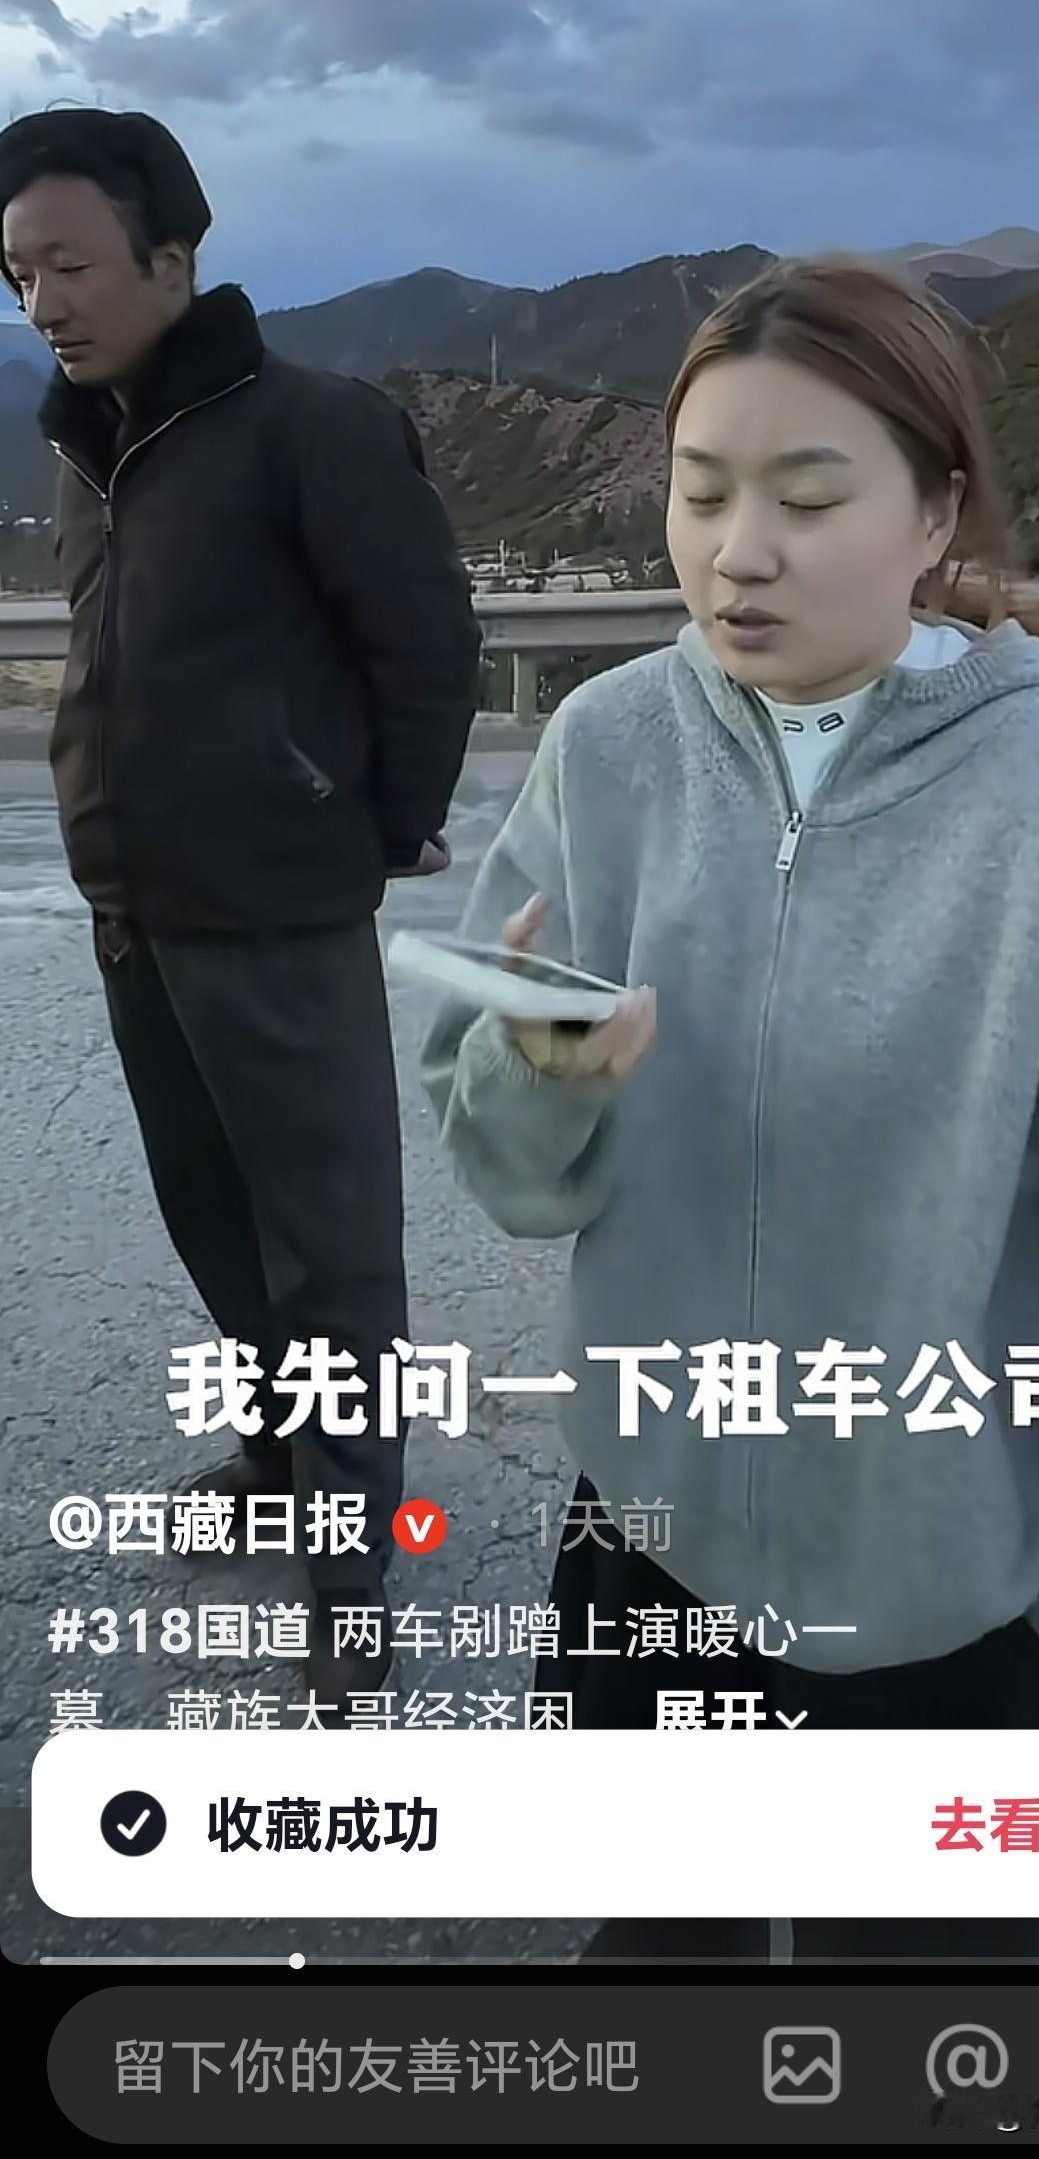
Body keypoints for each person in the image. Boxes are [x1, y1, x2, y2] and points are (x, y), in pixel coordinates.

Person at [417, 253, 1039, 1964]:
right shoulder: (610, 752)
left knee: (937, 2042)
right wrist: (531, 1079)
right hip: (654, 1546)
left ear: (935, 510)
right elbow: (511, 1178)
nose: (740, 552)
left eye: (809, 498)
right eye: (700, 492)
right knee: (665, 1989)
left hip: (959, 1603)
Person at [0, 106, 483, 1712]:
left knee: (328, 1256)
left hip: (276, 908)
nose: (44, 304)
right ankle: (281, 1464)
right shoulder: (91, 445)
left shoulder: (314, 428)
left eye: (71, 266)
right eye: (17, 276)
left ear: (174, 256)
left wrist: (380, 824)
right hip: (133, 903)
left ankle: (353, 1571)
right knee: (214, 1223)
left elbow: (426, 643)